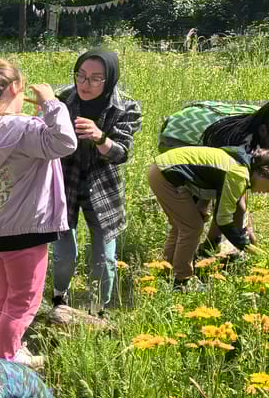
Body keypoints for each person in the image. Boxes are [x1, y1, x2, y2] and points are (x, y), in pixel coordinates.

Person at [0, 58, 77, 364]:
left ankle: (10, 350)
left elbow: (28, 145)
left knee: (6, 293)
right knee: (24, 300)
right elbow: (65, 143)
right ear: (16, 87)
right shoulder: (24, 128)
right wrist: (52, 104)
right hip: (25, 229)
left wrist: (42, 116)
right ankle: (2, 362)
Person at [51, 49, 142, 316]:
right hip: (65, 185)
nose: (85, 84)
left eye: (95, 79)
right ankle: (58, 299)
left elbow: (121, 153)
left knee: (105, 259)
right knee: (64, 256)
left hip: (102, 189)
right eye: (80, 75)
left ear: (109, 79)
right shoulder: (62, 99)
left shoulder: (126, 107)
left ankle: (97, 311)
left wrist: (100, 137)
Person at [158, 100, 269, 256]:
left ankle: (198, 251)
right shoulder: (245, 140)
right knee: (191, 217)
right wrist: (247, 241)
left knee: (220, 198)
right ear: (263, 131)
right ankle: (193, 255)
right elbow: (231, 202)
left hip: (209, 145)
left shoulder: (260, 126)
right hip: (180, 135)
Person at [148, 146, 269, 288]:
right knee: (192, 227)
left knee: (181, 226)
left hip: (160, 169)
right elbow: (223, 220)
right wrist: (246, 245)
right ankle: (181, 281)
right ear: (264, 173)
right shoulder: (239, 174)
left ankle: (165, 271)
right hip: (165, 174)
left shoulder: (241, 164)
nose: (266, 192)